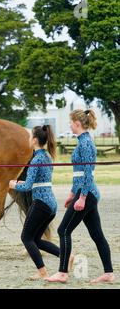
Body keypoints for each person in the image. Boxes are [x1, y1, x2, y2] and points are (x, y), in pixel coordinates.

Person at [46, 109, 115, 284]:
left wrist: (82, 197)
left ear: (77, 123)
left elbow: (88, 174)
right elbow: (79, 174)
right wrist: (72, 194)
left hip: (88, 194)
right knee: (97, 234)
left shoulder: (85, 144)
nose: (70, 125)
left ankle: (62, 273)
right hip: (86, 192)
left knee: (64, 230)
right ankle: (108, 273)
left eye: (71, 122)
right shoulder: (82, 142)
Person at [9, 125, 63, 280]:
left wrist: (13, 184)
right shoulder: (46, 156)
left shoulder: (36, 159)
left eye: (29, 137)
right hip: (51, 204)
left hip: (41, 203)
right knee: (36, 239)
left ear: (34, 140)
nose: (28, 139)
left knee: (26, 238)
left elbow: (27, 186)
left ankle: (42, 272)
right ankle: (67, 256)